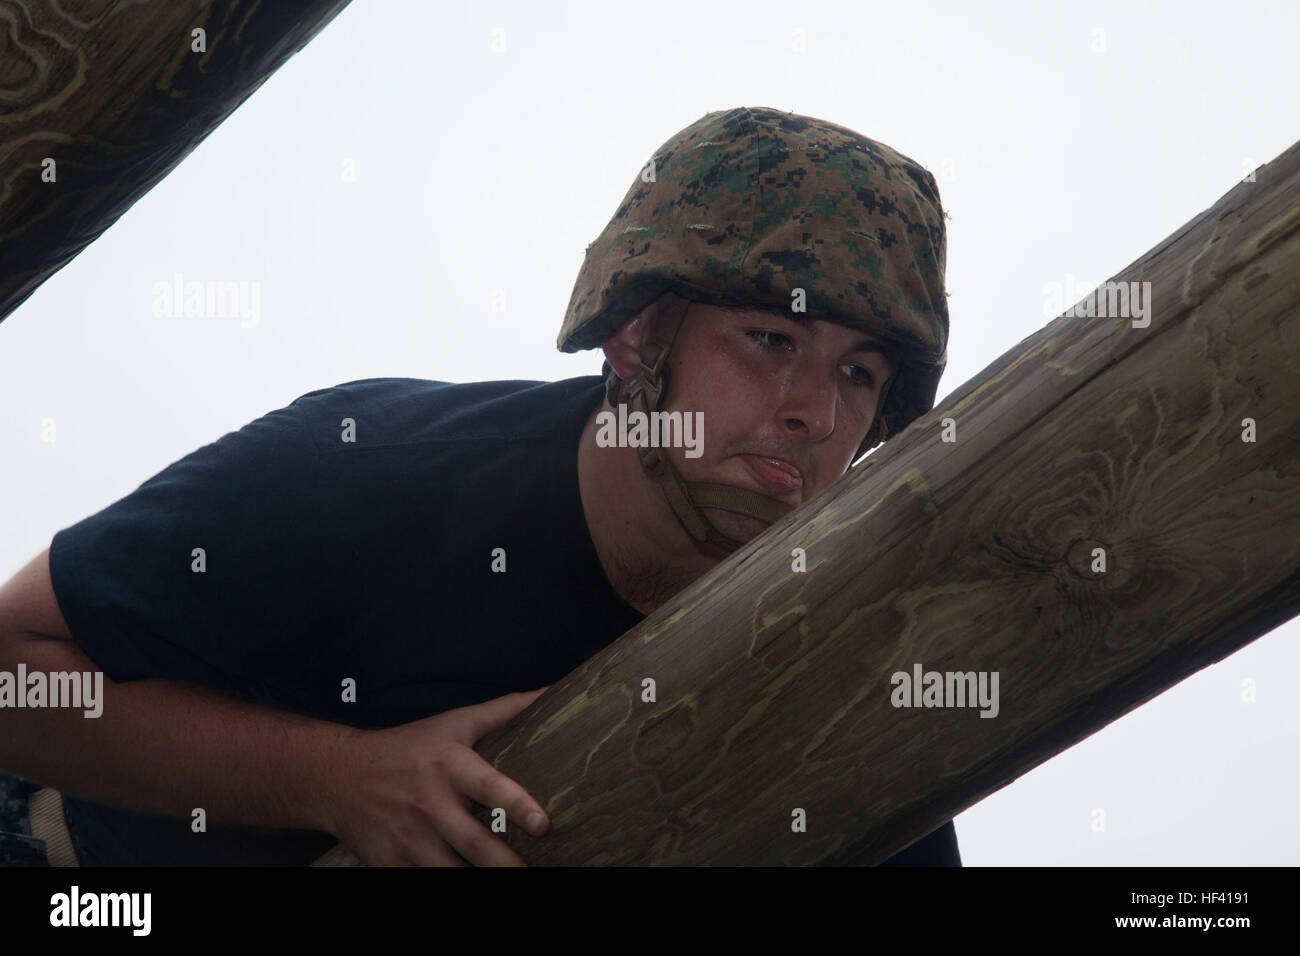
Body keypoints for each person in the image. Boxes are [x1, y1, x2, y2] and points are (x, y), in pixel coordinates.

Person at [0, 106, 956, 866]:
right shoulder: (371, 470)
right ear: (638, 338)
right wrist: (335, 780)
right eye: (772, 341)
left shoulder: (843, 657)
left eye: (860, 375)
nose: (817, 414)